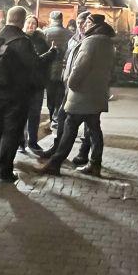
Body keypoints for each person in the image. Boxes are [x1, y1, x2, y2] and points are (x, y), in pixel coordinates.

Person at [0, 6, 53, 183]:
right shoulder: (22, 41)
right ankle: (5, 172)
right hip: (16, 94)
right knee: (11, 132)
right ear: (21, 21)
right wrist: (51, 54)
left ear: (8, 18)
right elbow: (34, 64)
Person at [38, 14, 116, 177]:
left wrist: (71, 83)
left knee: (70, 126)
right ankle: (95, 163)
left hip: (82, 93)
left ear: (94, 25)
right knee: (94, 129)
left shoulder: (91, 41)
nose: (85, 25)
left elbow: (80, 66)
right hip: (96, 93)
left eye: (87, 22)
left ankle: (55, 163)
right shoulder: (107, 41)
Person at [37, 10, 92, 162]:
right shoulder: (72, 38)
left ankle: (84, 154)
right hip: (68, 83)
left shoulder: (90, 41)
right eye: (79, 23)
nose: (81, 26)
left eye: (84, 23)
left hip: (83, 87)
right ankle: (58, 149)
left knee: (89, 124)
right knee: (64, 117)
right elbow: (68, 59)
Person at [20, 15, 52, 155]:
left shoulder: (41, 41)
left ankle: (32, 141)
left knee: (34, 114)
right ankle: (20, 142)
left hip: (37, 84)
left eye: (34, 23)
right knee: (21, 114)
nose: (31, 26)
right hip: (22, 84)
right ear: (24, 23)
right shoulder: (20, 39)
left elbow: (44, 63)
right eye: (29, 23)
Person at [42, 11, 71, 128]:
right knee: (61, 96)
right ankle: (58, 118)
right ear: (61, 19)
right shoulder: (69, 34)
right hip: (64, 69)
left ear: (51, 19)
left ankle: (51, 118)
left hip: (49, 69)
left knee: (50, 95)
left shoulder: (45, 33)